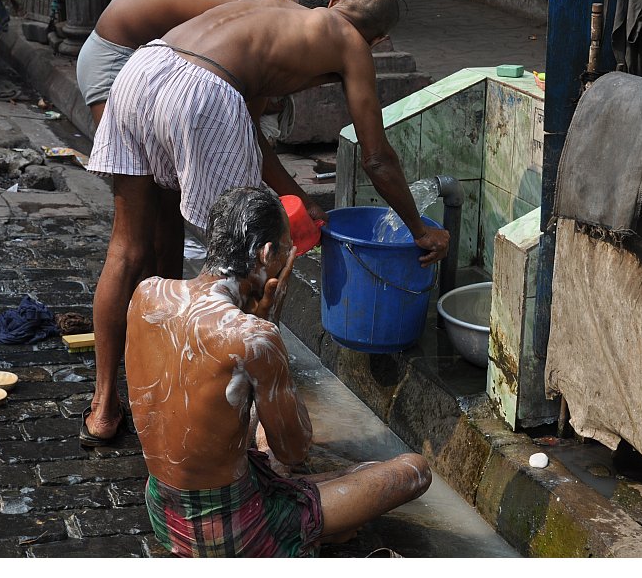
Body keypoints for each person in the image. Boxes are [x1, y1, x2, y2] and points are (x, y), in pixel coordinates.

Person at [80, 0, 452, 445]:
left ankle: (102, 409)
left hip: (142, 69)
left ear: (334, 1)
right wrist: (419, 229)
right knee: (240, 266)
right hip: (203, 93)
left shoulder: (274, 6)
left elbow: (246, 126)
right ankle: (221, 407)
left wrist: (298, 194)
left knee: (125, 249)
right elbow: (376, 157)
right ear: (378, 41)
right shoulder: (352, 45)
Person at [126, 185, 432, 557]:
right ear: (268, 254)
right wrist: (273, 326)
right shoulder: (255, 336)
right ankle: (304, 530)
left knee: (265, 436)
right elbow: (293, 449)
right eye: (289, 253)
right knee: (412, 471)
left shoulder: (147, 293)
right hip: (229, 532)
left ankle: (321, 522)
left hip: (164, 514)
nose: (290, 261)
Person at [78, 0, 360, 128]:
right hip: (116, 61)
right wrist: (302, 200)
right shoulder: (255, 6)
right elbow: (249, 130)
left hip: (147, 64)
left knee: (166, 200)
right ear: (331, 4)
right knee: (142, 202)